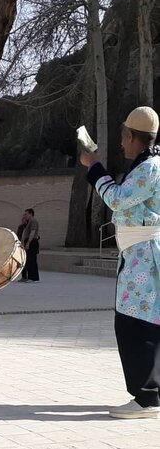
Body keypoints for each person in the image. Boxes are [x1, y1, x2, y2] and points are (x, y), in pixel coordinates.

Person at [80, 106, 160, 419]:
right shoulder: (150, 164)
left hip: (143, 256)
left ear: (132, 137)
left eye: (124, 136)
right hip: (140, 253)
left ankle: (146, 398)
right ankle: (151, 393)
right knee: (146, 322)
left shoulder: (149, 167)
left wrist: (94, 166)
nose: (121, 144)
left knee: (134, 324)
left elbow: (117, 198)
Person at [20, 208, 40, 283]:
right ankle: (29, 277)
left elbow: (33, 232)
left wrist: (28, 242)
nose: (25, 216)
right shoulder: (29, 222)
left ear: (31, 214)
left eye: (26, 214)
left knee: (32, 260)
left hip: (32, 242)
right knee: (28, 260)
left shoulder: (33, 221)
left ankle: (33, 278)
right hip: (29, 241)